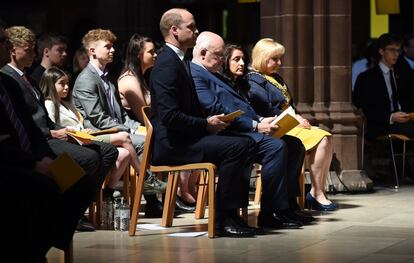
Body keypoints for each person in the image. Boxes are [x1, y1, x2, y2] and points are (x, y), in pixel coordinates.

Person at [150, 8, 260, 237]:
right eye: (191, 26)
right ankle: (223, 218)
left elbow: (188, 107)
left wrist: (213, 120)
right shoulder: (165, 64)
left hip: (187, 137)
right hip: (173, 144)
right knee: (238, 146)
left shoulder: (179, 61)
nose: (196, 30)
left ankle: (230, 214)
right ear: (174, 30)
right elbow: (169, 116)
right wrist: (205, 124)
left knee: (246, 142)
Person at [1, 25, 118, 231]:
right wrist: (52, 134)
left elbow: (40, 118)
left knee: (107, 151)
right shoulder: (10, 77)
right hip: (38, 142)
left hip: (45, 137)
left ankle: (72, 210)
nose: (34, 54)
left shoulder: (24, 78)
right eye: (29, 49)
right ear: (13, 50)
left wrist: (68, 132)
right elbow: (24, 124)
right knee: (88, 159)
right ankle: (69, 213)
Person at [191, 32, 311, 228]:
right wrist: (256, 125)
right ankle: (271, 211)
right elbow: (216, 108)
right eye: (226, 57)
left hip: (244, 128)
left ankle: (287, 205)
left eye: (240, 59)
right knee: (276, 146)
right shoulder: (199, 73)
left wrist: (263, 119)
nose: (223, 60)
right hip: (230, 132)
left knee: (294, 144)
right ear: (203, 53)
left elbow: (243, 108)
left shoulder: (219, 77)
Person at [72, 28, 167, 217]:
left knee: (149, 135)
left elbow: (121, 116)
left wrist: (140, 128)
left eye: (113, 46)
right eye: (107, 46)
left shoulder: (108, 79)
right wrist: (133, 132)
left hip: (113, 129)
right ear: (92, 51)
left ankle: (147, 196)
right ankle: (149, 189)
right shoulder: (86, 80)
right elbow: (98, 119)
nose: (112, 50)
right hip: (96, 133)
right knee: (141, 141)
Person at [245, 38, 337, 211]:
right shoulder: (253, 80)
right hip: (275, 127)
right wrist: (295, 119)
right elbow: (266, 109)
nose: (279, 63)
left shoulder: (276, 78)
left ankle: (318, 191)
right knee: (322, 138)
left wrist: (299, 117)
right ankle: (316, 194)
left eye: (280, 58)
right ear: (262, 57)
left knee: (326, 138)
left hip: (291, 123)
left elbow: (290, 106)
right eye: (275, 59)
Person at [40, 66, 147, 199]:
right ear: (50, 84)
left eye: (67, 83)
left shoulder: (67, 104)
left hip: (84, 137)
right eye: (62, 83)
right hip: (72, 142)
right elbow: (56, 129)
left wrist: (83, 130)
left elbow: (77, 124)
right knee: (124, 137)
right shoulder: (49, 104)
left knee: (124, 153)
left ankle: (108, 192)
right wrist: (77, 131)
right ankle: (145, 177)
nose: (67, 87)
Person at [118, 33, 197, 211]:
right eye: (151, 52)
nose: (155, 55)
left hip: (147, 127)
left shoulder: (143, 77)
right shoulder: (130, 80)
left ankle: (177, 193)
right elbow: (144, 116)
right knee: (169, 138)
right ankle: (163, 197)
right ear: (138, 54)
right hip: (136, 128)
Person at [353, 33, 414, 140]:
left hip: (404, 120)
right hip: (381, 124)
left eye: (398, 50)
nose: (396, 54)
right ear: (381, 51)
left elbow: (408, 98)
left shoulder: (403, 73)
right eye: (392, 50)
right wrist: (391, 117)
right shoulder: (367, 78)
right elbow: (366, 109)